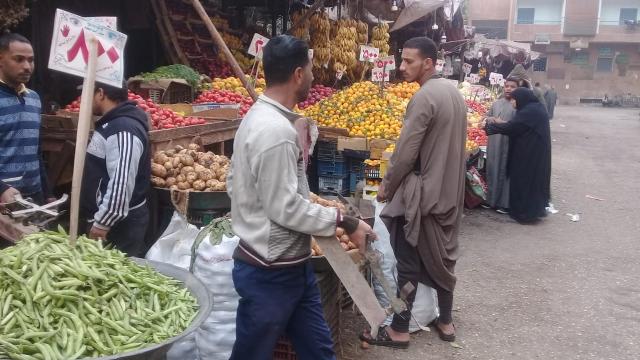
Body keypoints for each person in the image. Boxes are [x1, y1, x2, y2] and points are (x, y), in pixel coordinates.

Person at [228, 35, 374, 360]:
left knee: (319, 351)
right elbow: (286, 208)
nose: (312, 76)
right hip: (270, 272)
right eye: (309, 69)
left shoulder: (258, 118)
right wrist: (344, 220)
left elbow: (234, 181)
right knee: (252, 353)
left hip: (292, 267)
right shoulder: (275, 132)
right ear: (297, 74)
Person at [361, 37, 467, 348]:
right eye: (402, 60)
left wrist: (387, 185)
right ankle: (445, 321)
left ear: (429, 63)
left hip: (424, 195)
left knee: (408, 262)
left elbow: (406, 151)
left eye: (409, 61)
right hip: (449, 193)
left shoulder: (423, 97)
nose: (401, 66)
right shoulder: (453, 92)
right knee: (445, 259)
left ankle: (400, 329)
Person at [80, 82, 150, 257]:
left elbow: (122, 181)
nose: (83, 99)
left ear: (101, 94)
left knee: (117, 278)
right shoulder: (112, 124)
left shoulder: (123, 129)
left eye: (87, 93)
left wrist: (102, 224)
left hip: (119, 226)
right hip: (112, 222)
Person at [484, 88, 551, 224]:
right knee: (532, 181)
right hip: (533, 151)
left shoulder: (529, 111)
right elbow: (518, 126)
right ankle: (531, 211)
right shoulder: (533, 108)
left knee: (525, 180)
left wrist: (488, 127)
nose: (512, 102)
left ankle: (524, 214)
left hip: (530, 153)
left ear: (521, 98)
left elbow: (513, 128)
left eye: (514, 99)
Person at [0, 33, 53, 205]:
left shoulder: (34, 98)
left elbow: (36, 152)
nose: (27, 66)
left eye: (31, 60)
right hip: (4, 201)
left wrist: (47, 193)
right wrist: (1, 189)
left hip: (33, 197)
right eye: (19, 59)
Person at [484, 77, 518, 213]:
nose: (508, 89)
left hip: (508, 142)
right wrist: (490, 119)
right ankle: (491, 200)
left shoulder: (518, 106)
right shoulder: (496, 103)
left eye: (512, 87)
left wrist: (502, 123)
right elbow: (486, 118)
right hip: (494, 142)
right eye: (507, 86)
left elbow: (518, 125)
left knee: (505, 170)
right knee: (492, 168)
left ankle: (504, 203)